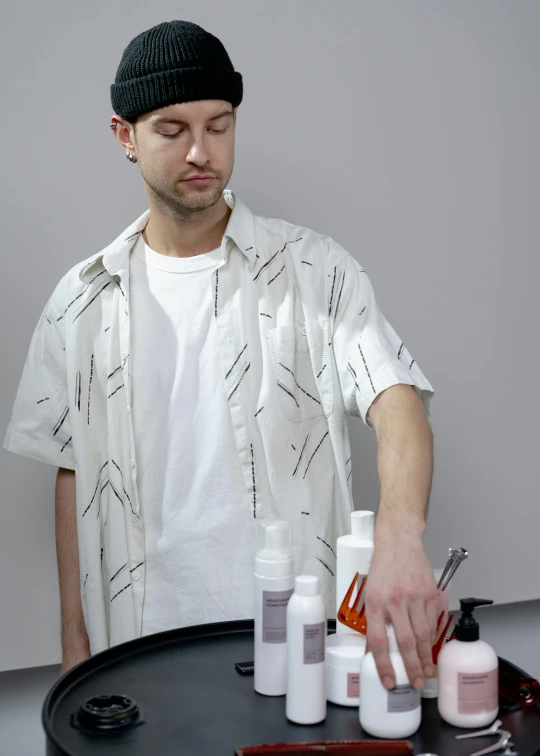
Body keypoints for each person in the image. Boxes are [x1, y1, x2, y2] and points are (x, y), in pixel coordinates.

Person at [4, 20, 437, 690]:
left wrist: (400, 539)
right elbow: (72, 472)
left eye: (220, 124)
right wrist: (74, 644)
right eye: (172, 130)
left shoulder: (315, 270)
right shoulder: (80, 300)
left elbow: (397, 398)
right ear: (126, 136)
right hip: (140, 649)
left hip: (296, 647)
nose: (201, 151)